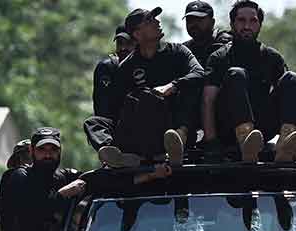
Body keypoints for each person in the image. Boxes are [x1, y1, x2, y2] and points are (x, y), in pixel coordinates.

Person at [84, 7, 205, 168]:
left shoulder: (178, 52)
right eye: (149, 20)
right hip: (142, 132)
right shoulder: (126, 67)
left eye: (155, 18)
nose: (157, 22)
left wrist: (172, 86)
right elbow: (117, 109)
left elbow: (200, 73)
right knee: (93, 122)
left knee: (168, 93)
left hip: (174, 125)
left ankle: (175, 148)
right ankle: (117, 155)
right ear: (137, 34)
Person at [202, 0, 296, 163]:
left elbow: (292, 101)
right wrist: (211, 142)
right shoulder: (219, 58)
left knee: (293, 78)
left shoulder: (272, 58)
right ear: (232, 23)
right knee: (236, 74)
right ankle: (246, 144)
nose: (247, 26)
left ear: (260, 24)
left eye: (253, 21)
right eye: (241, 20)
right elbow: (208, 102)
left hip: (262, 129)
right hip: (229, 128)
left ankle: (285, 145)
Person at [92, 26, 136, 119]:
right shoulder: (107, 67)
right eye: (119, 43)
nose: (123, 48)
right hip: (113, 123)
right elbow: (101, 107)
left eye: (128, 43)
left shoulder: (145, 66)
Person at [183, 1, 233, 67]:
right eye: (190, 20)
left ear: (212, 22)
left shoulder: (227, 43)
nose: (194, 24)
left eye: (199, 20)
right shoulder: (184, 49)